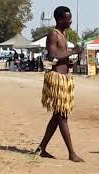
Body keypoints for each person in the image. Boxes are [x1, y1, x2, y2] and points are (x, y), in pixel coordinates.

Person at [36, 6, 84, 162]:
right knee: (61, 116)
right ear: (60, 19)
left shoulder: (63, 34)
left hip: (64, 79)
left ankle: (41, 148)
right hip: (56, 79)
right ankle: (71, 153)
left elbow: (62, 57)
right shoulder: (53, 35)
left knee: (58, 116)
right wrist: (73, 51)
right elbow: (52, 56)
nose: (70, 21)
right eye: (68, 19)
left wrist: (71, 61)